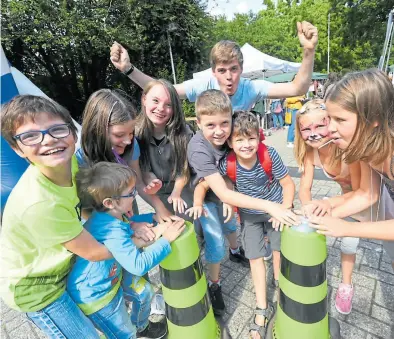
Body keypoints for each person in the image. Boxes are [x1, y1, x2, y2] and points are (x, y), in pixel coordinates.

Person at [0, 95, 112, 339]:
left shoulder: (69, 163)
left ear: (73, 134)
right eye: (30, 135)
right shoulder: (38, 202)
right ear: (17, 148)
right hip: (36, 286)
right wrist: (143, 237)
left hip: (61, 263)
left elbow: (83, 209)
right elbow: (95, 253)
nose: (48, 140)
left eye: (58, 129)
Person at [185, 89, 298, 316]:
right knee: (252, 256)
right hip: (250, 215)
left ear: (259, 136)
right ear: (231, 142)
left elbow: (288, 184)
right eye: (239, 140)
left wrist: (283, 208)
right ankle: (260, 305)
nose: (246, 144)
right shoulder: (215, 156)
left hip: (276, 210)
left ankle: (279, 286)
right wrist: (202, 202)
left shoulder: (268, 154)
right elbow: (205, 184)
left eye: (251, 138)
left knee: (278, 250)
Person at [67, 162, 185, 339]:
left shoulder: (108, 215)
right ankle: (133, 332)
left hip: (112, 276)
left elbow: (127, 223)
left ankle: (142, 327)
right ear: (110, 202)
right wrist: (166, 240)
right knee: (124, 333)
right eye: (131, 193)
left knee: (144, 292)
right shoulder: (111, 231)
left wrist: (152, 216)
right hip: (97, 295)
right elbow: (138, 265)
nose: (136, 195)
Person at [294, 99, 380, 314]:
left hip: (368, 200)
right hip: (349, 202)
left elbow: (362, 192)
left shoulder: (346, 148)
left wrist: (327, 206)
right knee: (349, 244)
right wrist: (309, 208)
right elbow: (304, 189)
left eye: (319, 126)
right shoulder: (311, 154)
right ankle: (346, 285)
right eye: (306, 129)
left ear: (330, 123)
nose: (313, 134)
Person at [109, 22, 318, 109]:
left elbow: (296, 89)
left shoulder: (250, 87)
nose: (229, 76)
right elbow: (163, 90)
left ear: (241, 70)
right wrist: (128, 69)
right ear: (213, 72)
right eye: (222, 70)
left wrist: (308, 51)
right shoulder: (203, 85)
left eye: (234, 69)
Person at [308, 69, 394, 268]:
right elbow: (367, 194)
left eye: (340, 120)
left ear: (374, 119)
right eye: (329, 119)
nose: (329, 129)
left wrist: (346, 228)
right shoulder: (366, 148)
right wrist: (327, 212)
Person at [78, 89, 175, 240]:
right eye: (119, 135)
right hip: (98, 228)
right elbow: (84, 209)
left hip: (126, 206)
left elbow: (138, 182)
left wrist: (160, 207)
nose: (128, 141)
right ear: (97, 130)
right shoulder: (79, 159)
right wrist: (127, 224)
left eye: (131, 133)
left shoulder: (130, 145)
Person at [136, 79, 194, 220]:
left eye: (168, 105)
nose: (161, 108)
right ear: (144, 99)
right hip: (158, 191)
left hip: (182, 186)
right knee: (167, 223)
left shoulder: (184, 133)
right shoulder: (135, 134)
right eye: (155, 101)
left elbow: (184, 170)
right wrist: (152, 181)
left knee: (186, 221)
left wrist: (176, 192)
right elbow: (143, 169)